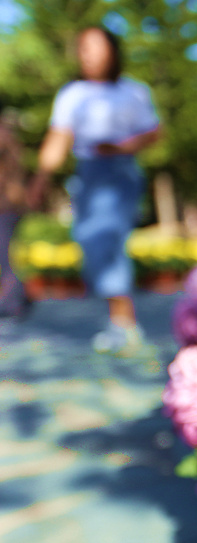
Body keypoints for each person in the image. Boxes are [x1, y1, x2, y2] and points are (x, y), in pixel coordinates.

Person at [29, 26, 161, 353]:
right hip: (88, 172)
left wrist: (120, 147)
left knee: (106, 237)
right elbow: (58, 141)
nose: (87, 54)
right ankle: (119, 318)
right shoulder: (73, 94)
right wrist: (38, 182)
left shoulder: (133, 92)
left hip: (121, 171)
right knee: (91, 240)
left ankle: (123, 322)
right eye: (83, 48)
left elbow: (152, 132)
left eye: (95, 47)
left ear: (113, 51)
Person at [0, 99, 28, 317]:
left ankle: (12, 302)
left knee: (4, 254)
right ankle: (16, 298)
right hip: (11, 203)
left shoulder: (2, 136)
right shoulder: (10, 136)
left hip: (5, 204)